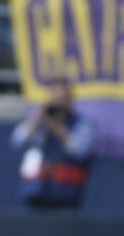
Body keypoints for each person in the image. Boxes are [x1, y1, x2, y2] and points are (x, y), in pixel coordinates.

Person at [10, 78, 94, 209]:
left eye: (62, 98)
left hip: (66, 195)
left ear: (69, 100)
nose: (58, 102)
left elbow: (80, 150)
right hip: (35, 193)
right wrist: (38, 117)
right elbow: (17, 141)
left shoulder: (81, 124)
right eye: (55, 97)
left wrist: (57, 127)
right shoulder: (37, 122)